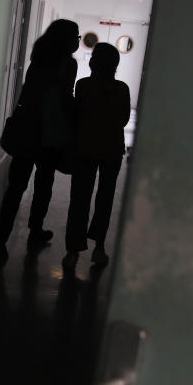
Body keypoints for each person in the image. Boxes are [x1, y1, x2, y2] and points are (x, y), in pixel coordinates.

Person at [0, 19, 80, 259]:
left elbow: (30, 93)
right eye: (76, 37)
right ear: (66, 39)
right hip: (49, 132)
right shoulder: (68, 65)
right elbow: (65, 98)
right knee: (43, 184)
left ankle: (0, 238)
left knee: (15, 187)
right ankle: (35, 229)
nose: (78, 42)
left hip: (27, 129)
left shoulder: (38, 59)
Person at [62, 42, 131, 269]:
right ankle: (99, 248)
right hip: (112, 150)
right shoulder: (122, 88)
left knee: (79, 198)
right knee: (106, 198)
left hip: (84, 148)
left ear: (93, 62)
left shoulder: (83, 85)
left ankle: (73, 251)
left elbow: (76, 116)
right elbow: (123, 120)